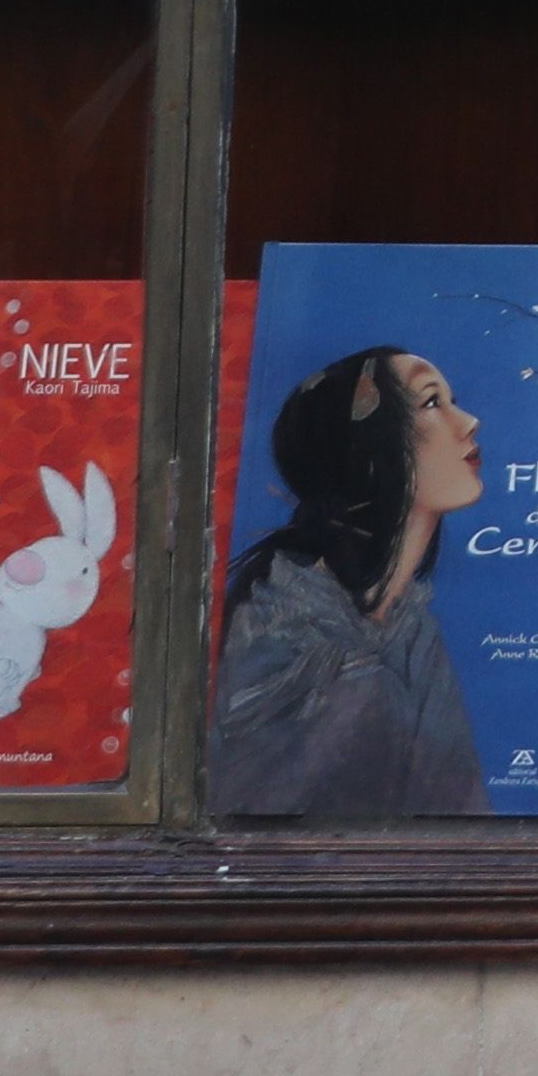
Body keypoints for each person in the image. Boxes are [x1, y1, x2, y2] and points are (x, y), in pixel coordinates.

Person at [211, 345, 492, 817]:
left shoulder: (412, 634)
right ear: (369, 447)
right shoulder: (283, 636)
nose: (468, 422)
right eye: (431, 402)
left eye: (451, 400)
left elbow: (461, 813)